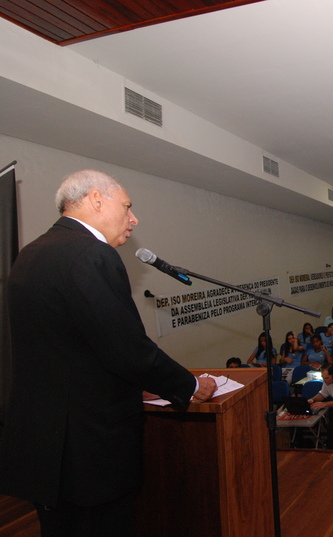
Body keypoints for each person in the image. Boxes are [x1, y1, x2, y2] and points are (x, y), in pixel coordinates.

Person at [0, 170, 216, 537]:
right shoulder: (92, 254)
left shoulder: (30, 254)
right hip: (89, 448)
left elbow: (70, 347)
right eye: (128, 206)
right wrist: (190, 385)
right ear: (97, 199)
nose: (134, 219)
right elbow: (127, 348)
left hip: (44, 446)